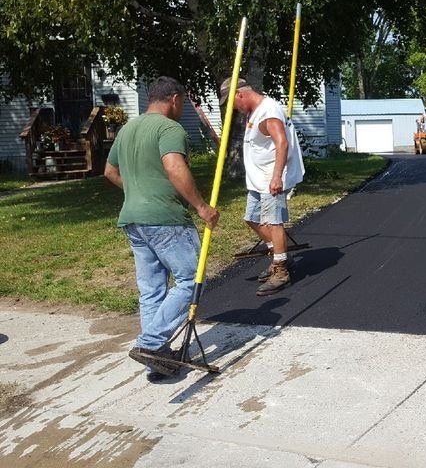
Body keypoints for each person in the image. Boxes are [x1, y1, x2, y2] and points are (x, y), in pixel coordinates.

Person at [104, 76, 220, 382]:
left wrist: (139, 192)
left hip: (133, 220)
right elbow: (173, 166)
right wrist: (201, 207)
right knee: (190, 282)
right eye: (184, 103)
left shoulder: (128, 128)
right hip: (166, 220)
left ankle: (156, 362)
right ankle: (151, 344)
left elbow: (109, 171)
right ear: (174, 99)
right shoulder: (170, 128)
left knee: (152, 291)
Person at [219, 78, 305, 296]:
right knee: (252, 218)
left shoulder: (268, 111)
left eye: (231, 104)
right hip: (258, 179)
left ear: (240, 95)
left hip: (270, 179)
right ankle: (280, 253)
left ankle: (281, 270)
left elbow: (282, 142)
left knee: (273, 222)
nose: (233, 109)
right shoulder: (255, 111)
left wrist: (277, 177)